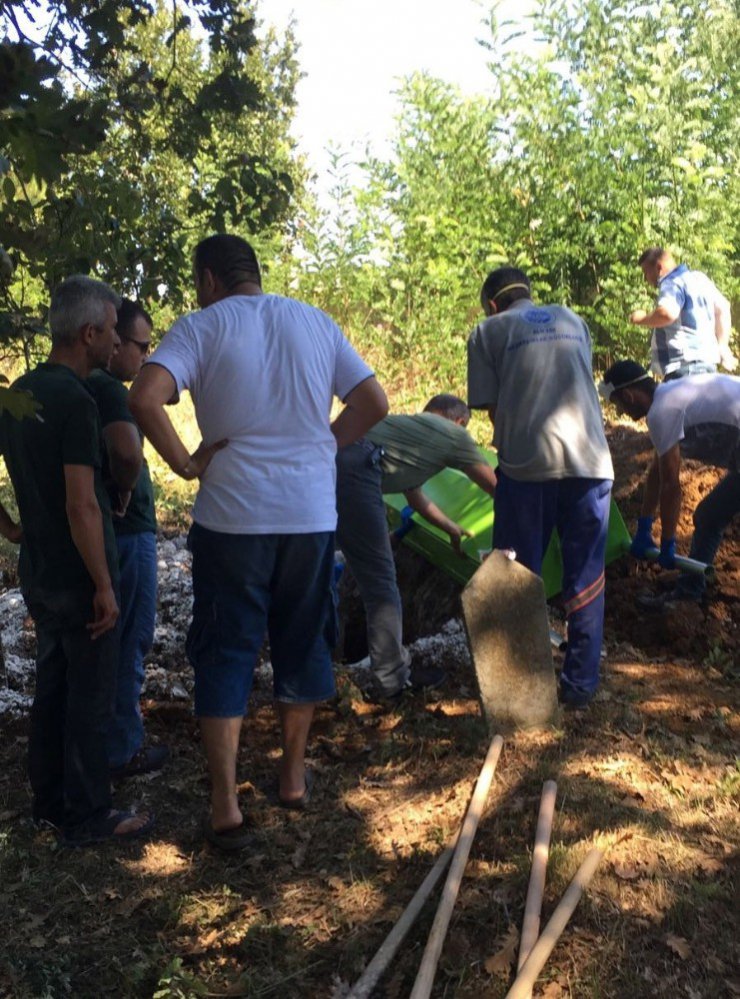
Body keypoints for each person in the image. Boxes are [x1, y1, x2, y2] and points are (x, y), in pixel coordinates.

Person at [129, 233, 387, 850]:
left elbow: (143, 397)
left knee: (226, 652)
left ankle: (225, 808)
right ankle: (293, 779)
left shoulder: (200, 326)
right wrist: (325, 442)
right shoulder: (316, 322)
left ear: (209, 279)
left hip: (232, 520)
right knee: (303, 642)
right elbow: (373, 402)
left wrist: (187, 465)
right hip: (309, 516)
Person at [0, 275, 153, 845]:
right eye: (113, 332)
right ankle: (89, 815)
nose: (117, 344)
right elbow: (81, 503)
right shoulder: (77, 400)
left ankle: (48, 803)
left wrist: (14, 528)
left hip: (39, 571)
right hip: (78, 575)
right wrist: (104, 585)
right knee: (88, 696)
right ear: (88, 333)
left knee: (53, 687)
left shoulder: (18, 392)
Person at [467, 266, 614, 709]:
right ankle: (580, 687)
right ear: (528, 293)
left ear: (493, 304)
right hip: (591, 462)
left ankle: (523, 694)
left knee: (516, 575)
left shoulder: (488, 330)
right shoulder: (573, 319)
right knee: (586, 576)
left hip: (527, 469)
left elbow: (492, 409)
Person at [336, 393, 496, 700]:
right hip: (357, 470)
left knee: (338, 569)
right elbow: (494, 486)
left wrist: (451, 529)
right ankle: (392, 682)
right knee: (381, 584)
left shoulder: (411, 432)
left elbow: (415, 497)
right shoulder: (456, 435)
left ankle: (322, 662)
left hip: (328, 462)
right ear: (460, 421)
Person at [87, 299, 168, 778]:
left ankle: (102, 744)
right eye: (137, 343)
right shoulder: (108, 392)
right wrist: (123, 488)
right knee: (130, 641)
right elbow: (128, 454)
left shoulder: (80, 386)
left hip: (109, 533)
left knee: (107, 645)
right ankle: (122, 750)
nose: (139, 352)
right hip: (129, 531)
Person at [599, 360, 740, 607]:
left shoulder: (661, 411)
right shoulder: (671, 396)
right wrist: (644, 526)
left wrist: (667, 542)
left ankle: (687, 595)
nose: (621, 413)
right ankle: (688, 593)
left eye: (618, 405)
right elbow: (656, 472)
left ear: (629, 396)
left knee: (709, 516)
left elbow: (671, 486)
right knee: (709, 516)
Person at [629, 247, 736, 380]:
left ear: (659, 267)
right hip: (707, 366)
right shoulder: (699, 278)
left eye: (646, 272)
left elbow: (667, 314)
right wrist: (723, 346)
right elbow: (723, 308)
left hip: (684, 368)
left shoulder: (671, 282)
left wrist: (641, 318)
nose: (645, 278)